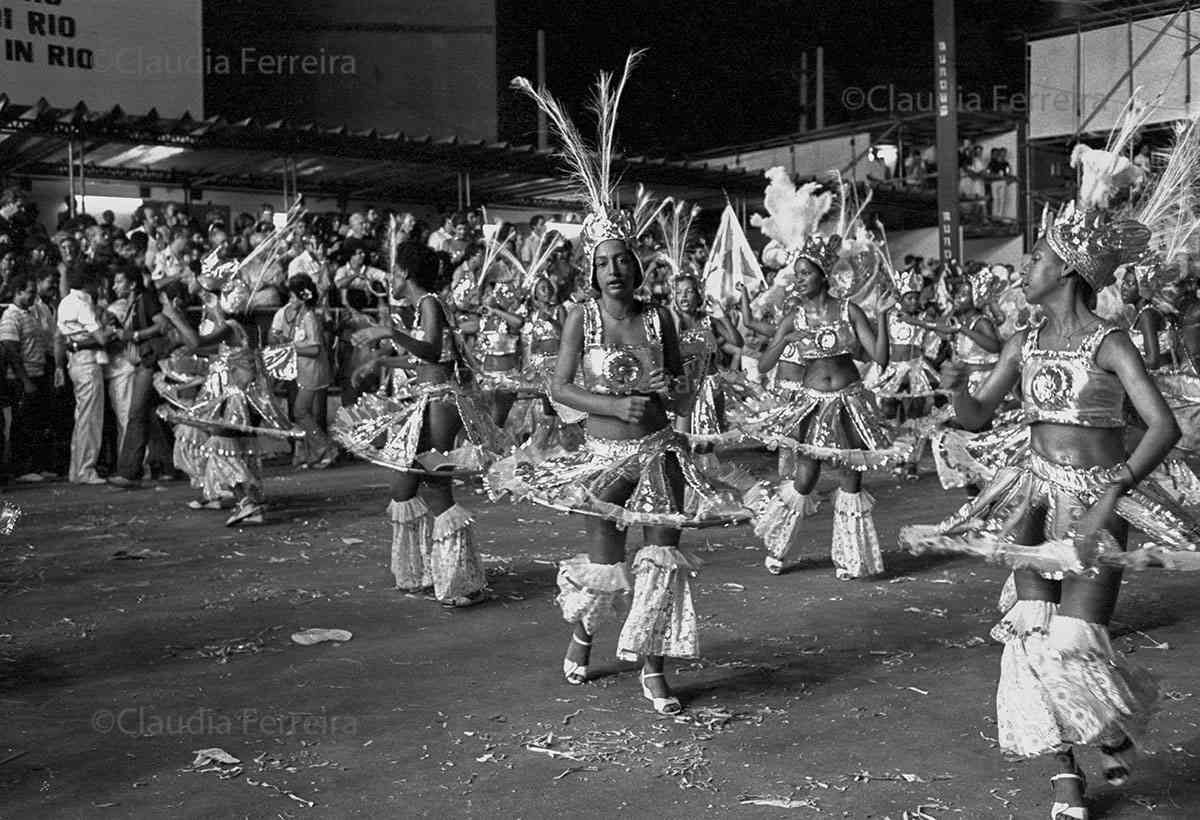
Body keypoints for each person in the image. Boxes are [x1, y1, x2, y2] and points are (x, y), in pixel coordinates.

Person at [901, 131, 1200, 819]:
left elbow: (1164, 426)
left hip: (1096, 499)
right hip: (1031, 494)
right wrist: (953, 384)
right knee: (1031, 630)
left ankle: (1115, 723)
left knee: (1075, 642)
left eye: (1032, 258)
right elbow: (977, 416)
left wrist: (1112, 495)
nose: (1020, 270)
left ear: (1065, 270)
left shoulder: (1110, 342)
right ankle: (1065, 777)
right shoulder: (1022, 342)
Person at [497, 53, 750, 714]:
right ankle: (585, 635)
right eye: (603, 262)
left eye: (622, 260)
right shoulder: (579, 317)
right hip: (604, 458)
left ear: (637, 266)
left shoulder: (663, 315)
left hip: (659, 455)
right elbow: (559, 388)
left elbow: (681, 392)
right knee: (607, 572)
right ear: (592, 270)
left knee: (661, 561)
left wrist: (673, 389)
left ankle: (654, 668)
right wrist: (611, 401)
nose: (614, 270)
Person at [742, 167, 901, 579]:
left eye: (806, 273)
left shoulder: (849, 309)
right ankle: (780, 547)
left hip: (848, 403)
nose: (799, 278)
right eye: (796, 273)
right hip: (811, 405)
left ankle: (852, 559)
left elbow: (880, 358)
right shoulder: (793, 314)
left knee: (850, 478)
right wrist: (785, 337)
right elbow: (763, 363)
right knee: (805, 476)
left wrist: (883, 318)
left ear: (824, 276)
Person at [335, 241, 508, 608]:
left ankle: (460, 582)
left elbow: (430, 349)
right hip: (425, 399)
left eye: (393, 273)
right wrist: (380, 364)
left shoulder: (429, 302)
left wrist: (387, 334)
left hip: (439, 403)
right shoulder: (423, 305)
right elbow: (427, 360)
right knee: (403, 485)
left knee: (435, 488)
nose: (390, 280)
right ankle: (424, 571)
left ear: (405, 275)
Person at [270, 273, 336, 469]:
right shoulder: (300, 315)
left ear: (302, 296)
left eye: (292, 297)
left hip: (313, 371)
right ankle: (317, 451)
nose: (290, 301)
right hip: (305, 370)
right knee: (302, 413)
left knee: (300, 411)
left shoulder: (309, 317)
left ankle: (326, 448)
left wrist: (290, 348)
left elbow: (315, 348)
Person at [56, 266, 112, 484]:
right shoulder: (83, 304)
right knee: (90, 419)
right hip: (88, 363)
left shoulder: (65, 302)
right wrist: (111, 330)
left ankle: (77, 469)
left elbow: (59, 337)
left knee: (82, 417)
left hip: (74, 363)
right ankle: (86, 470)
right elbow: (102, 339)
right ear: (89, 283)